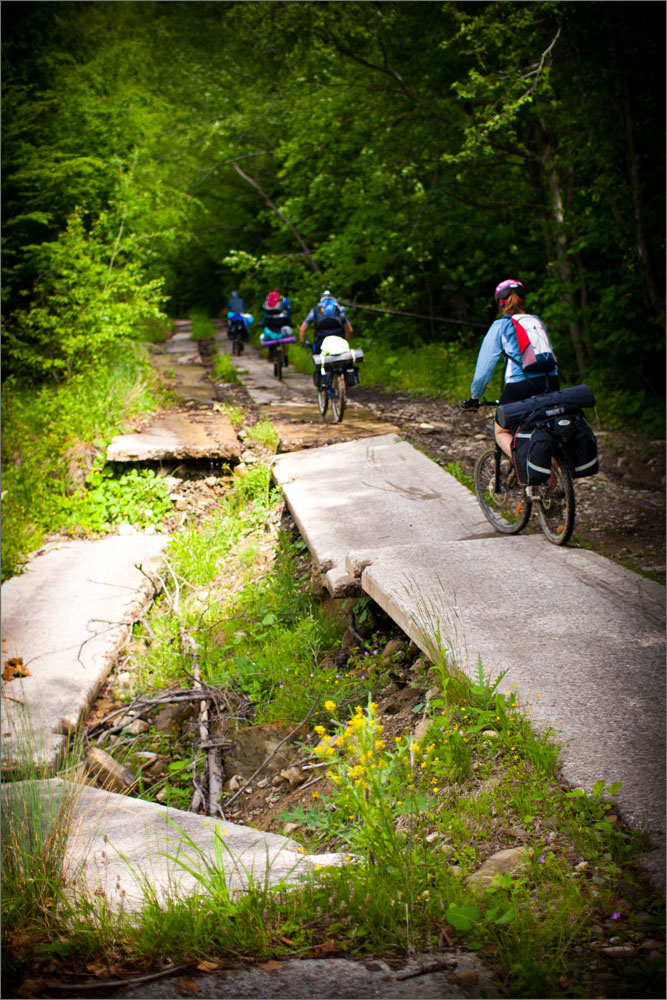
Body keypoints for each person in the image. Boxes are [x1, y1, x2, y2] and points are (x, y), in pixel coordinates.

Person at [462, 279, 559, 459]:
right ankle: (554, 483)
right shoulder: (537, 321)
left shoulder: (501, 325)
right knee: (546, 432)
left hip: (521, 386)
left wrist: (475, 397)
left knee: (500, 431)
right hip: (550, 384)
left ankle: (523, 464)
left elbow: (483, 371)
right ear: (523, 300)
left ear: (501, 303)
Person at [299, 290, 353, 355]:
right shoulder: (339, 309)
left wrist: (303, 343)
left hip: (321, 342)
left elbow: (302, 329)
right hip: (339, 340)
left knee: (316, 357)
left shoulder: (315, 311)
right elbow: (350, 330)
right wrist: (345, 341)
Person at [261, 290, 292, 365]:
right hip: (282, 322)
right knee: (285, 339)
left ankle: (271, 353)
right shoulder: (285, 300)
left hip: (270, 322)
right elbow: (288, 312)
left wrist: (262, 323)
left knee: (270, 335)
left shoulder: (268, 301)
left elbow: (265, 313)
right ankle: (285, 356)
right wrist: (289, 322)